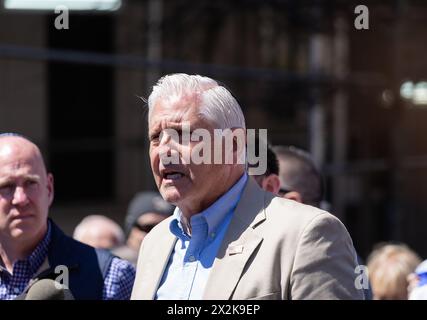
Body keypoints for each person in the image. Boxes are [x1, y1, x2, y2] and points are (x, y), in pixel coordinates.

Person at [131, 73, 364, 300]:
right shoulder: (154, 243)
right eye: (155, 137)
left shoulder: (306, 234)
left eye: (182, 134)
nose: (164, 151)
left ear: (233, 144)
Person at [0, 133, 135, 300]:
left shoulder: (110, 276)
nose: (21, 199)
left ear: (49, 188)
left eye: (30, 183)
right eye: (6, 186)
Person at [113, 191, 174, 265]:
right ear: (131, 227)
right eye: (148, 227)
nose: (156, 234)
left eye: (165, 229)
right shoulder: (114, 266)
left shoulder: (176, 264)